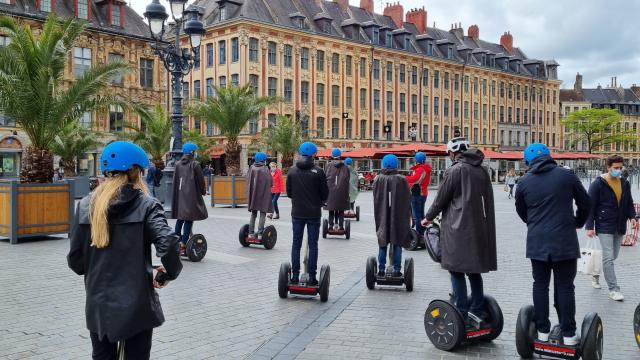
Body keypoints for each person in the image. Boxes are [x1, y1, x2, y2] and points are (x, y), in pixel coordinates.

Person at [68, 141, 182, 360]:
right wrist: (168, 272)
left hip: (99, 305)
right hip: (136, 305)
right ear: (134, 171)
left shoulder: (85, 205)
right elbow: (167, 243)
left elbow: (75, 261)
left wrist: (96, 269)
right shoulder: (146, 204)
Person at [515, 143, 591, 345]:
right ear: (549, 157)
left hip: (537, 242)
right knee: (565, 287)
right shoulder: (567, 176)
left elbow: (521, 210)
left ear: (528, 161)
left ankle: (542, 332)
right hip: (564, 241)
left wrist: (534, 224)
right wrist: (578, 222)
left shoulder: (523, 182)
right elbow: (586, 203)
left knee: (540, 285)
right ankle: (568, 335)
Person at [422, 137, 497, 325]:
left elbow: (441, 199)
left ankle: (461, 312)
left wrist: (428, 217)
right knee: (474, 271)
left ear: (452, 153)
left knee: (455, 270)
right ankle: (477, 310)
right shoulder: (481, 170)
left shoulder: (455, 170)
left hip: (457, 227)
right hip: (479, 226)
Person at [585, 155, 637, 300]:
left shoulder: (624, 183)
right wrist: (590, 226)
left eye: (621, 168)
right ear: (608, 167)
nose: (619, 170)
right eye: (616, 168)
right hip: (604, 224)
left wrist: (633, 217)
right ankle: (614, 289)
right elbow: (590, 206)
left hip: (619, 224)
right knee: (608, 258)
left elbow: (629, 203)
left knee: (612, 256)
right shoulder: (598, 184)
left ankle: (595, 274)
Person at [286, 142, 329, 285]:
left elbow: (289, 193)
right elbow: (325, 193)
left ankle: (294, 276)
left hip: (297, 212)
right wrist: (320, 200)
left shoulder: (292, 171)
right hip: (313, 214)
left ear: (300, 153)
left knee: (296, 244)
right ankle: (312, 277)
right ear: (314, 154)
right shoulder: (318, 171)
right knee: (313, 244)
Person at [373, 154, 412, 276]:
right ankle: (396, 270)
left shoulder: (378, 179)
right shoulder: (402, 179)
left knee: (383, 241)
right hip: (398, 216)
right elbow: (407, 199)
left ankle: (380, 269)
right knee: (397, 241)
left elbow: (376, 197)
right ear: (397, 164)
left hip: (382, 215)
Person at [171, 143, 208, 255]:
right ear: (192, 152)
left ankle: (177, 241)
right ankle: (183, 242)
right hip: (191, 195)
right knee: (188, 219)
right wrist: (203, 191)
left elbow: (175, 181)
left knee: (180, 218)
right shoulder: (195, 164)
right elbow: (201, 181)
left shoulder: (177, 164)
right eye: (195, 151)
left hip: (180, 195)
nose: (196, 153)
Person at [246, 152, 273, 239]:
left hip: (253, 195)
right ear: (264, 160)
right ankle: (260, 234)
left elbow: (247, 180)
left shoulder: (251, 168)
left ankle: (250, 233)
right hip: (263, 195)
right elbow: (271, 182)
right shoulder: (265, 169)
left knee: (253, 214)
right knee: (262, 213)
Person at [406, 152, 433, 236]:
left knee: (417, 216)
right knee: (420, 214)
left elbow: (414, 179)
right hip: (423, 193)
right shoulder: (424, 168)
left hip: (417, 194)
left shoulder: (421, 169)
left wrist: (403, 177)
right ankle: (422, 232)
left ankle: (419, 234)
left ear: (417, 160)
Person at [325, 148, 350, 230]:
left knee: (331, 209)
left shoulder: (328, 166)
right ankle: (341, 226)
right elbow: (347, 179)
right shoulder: (345, 167)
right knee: (341, 210)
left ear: (332, 155)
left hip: (330, 192)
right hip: (342, 192)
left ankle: (331, 226)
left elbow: (325, 178)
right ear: (340, 155)